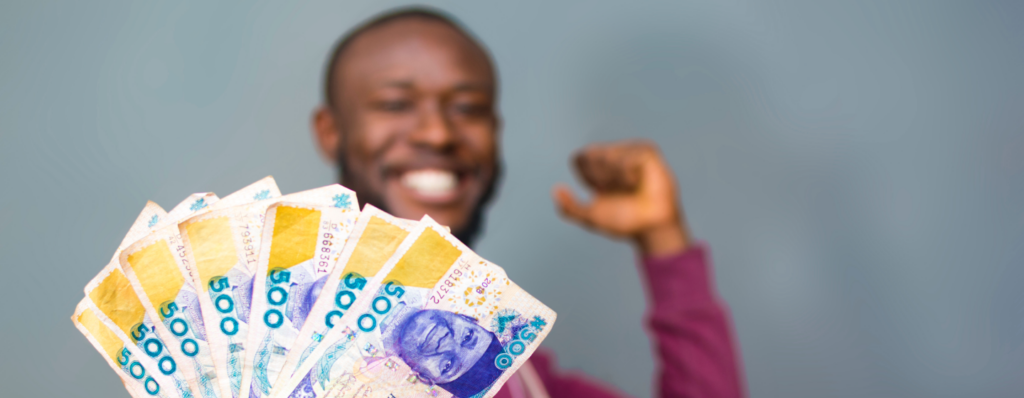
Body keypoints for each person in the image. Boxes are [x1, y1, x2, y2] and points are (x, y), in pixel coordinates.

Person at [309, 6, 745, 398]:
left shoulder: (519, 376)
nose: (438, 133)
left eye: (467, 107)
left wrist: (663, 240)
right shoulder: (275, 355)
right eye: (396, 104)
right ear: (331, 131)